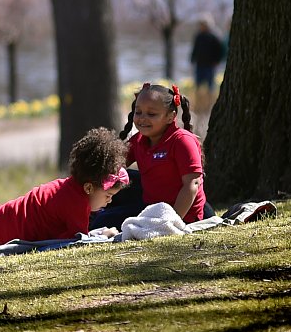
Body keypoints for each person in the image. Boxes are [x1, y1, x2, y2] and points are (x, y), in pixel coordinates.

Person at [0, 127, 130, 262]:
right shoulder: (77, 205)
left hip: (2, 216)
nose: (109, 201)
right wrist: (106, 234)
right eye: (107, 196)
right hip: (12, 232)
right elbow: (76, 242)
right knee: (2, 248)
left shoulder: (66, 186)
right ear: (89, 188)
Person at [89, 82, 211, 233]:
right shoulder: (139, 140)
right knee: (113, 180)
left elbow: (192, 184)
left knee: (101, 222)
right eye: (138, 112)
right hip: (151, 209)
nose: (142, 119)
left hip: (183, 215)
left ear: (170, 116)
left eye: (151, 114)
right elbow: (113, 163)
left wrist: (171, 222)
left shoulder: (182, 141)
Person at [190, 14, 225, 110]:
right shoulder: (198, 36)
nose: (201, 26)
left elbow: (220, 50)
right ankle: (198, 106)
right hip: (199, 64)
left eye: (203, 24)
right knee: (198, 86)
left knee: (210, 87)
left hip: (210, 65)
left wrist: (217, 61)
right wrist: (192, 58)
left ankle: (210, 106)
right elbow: (195, 48)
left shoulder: (214, 36)